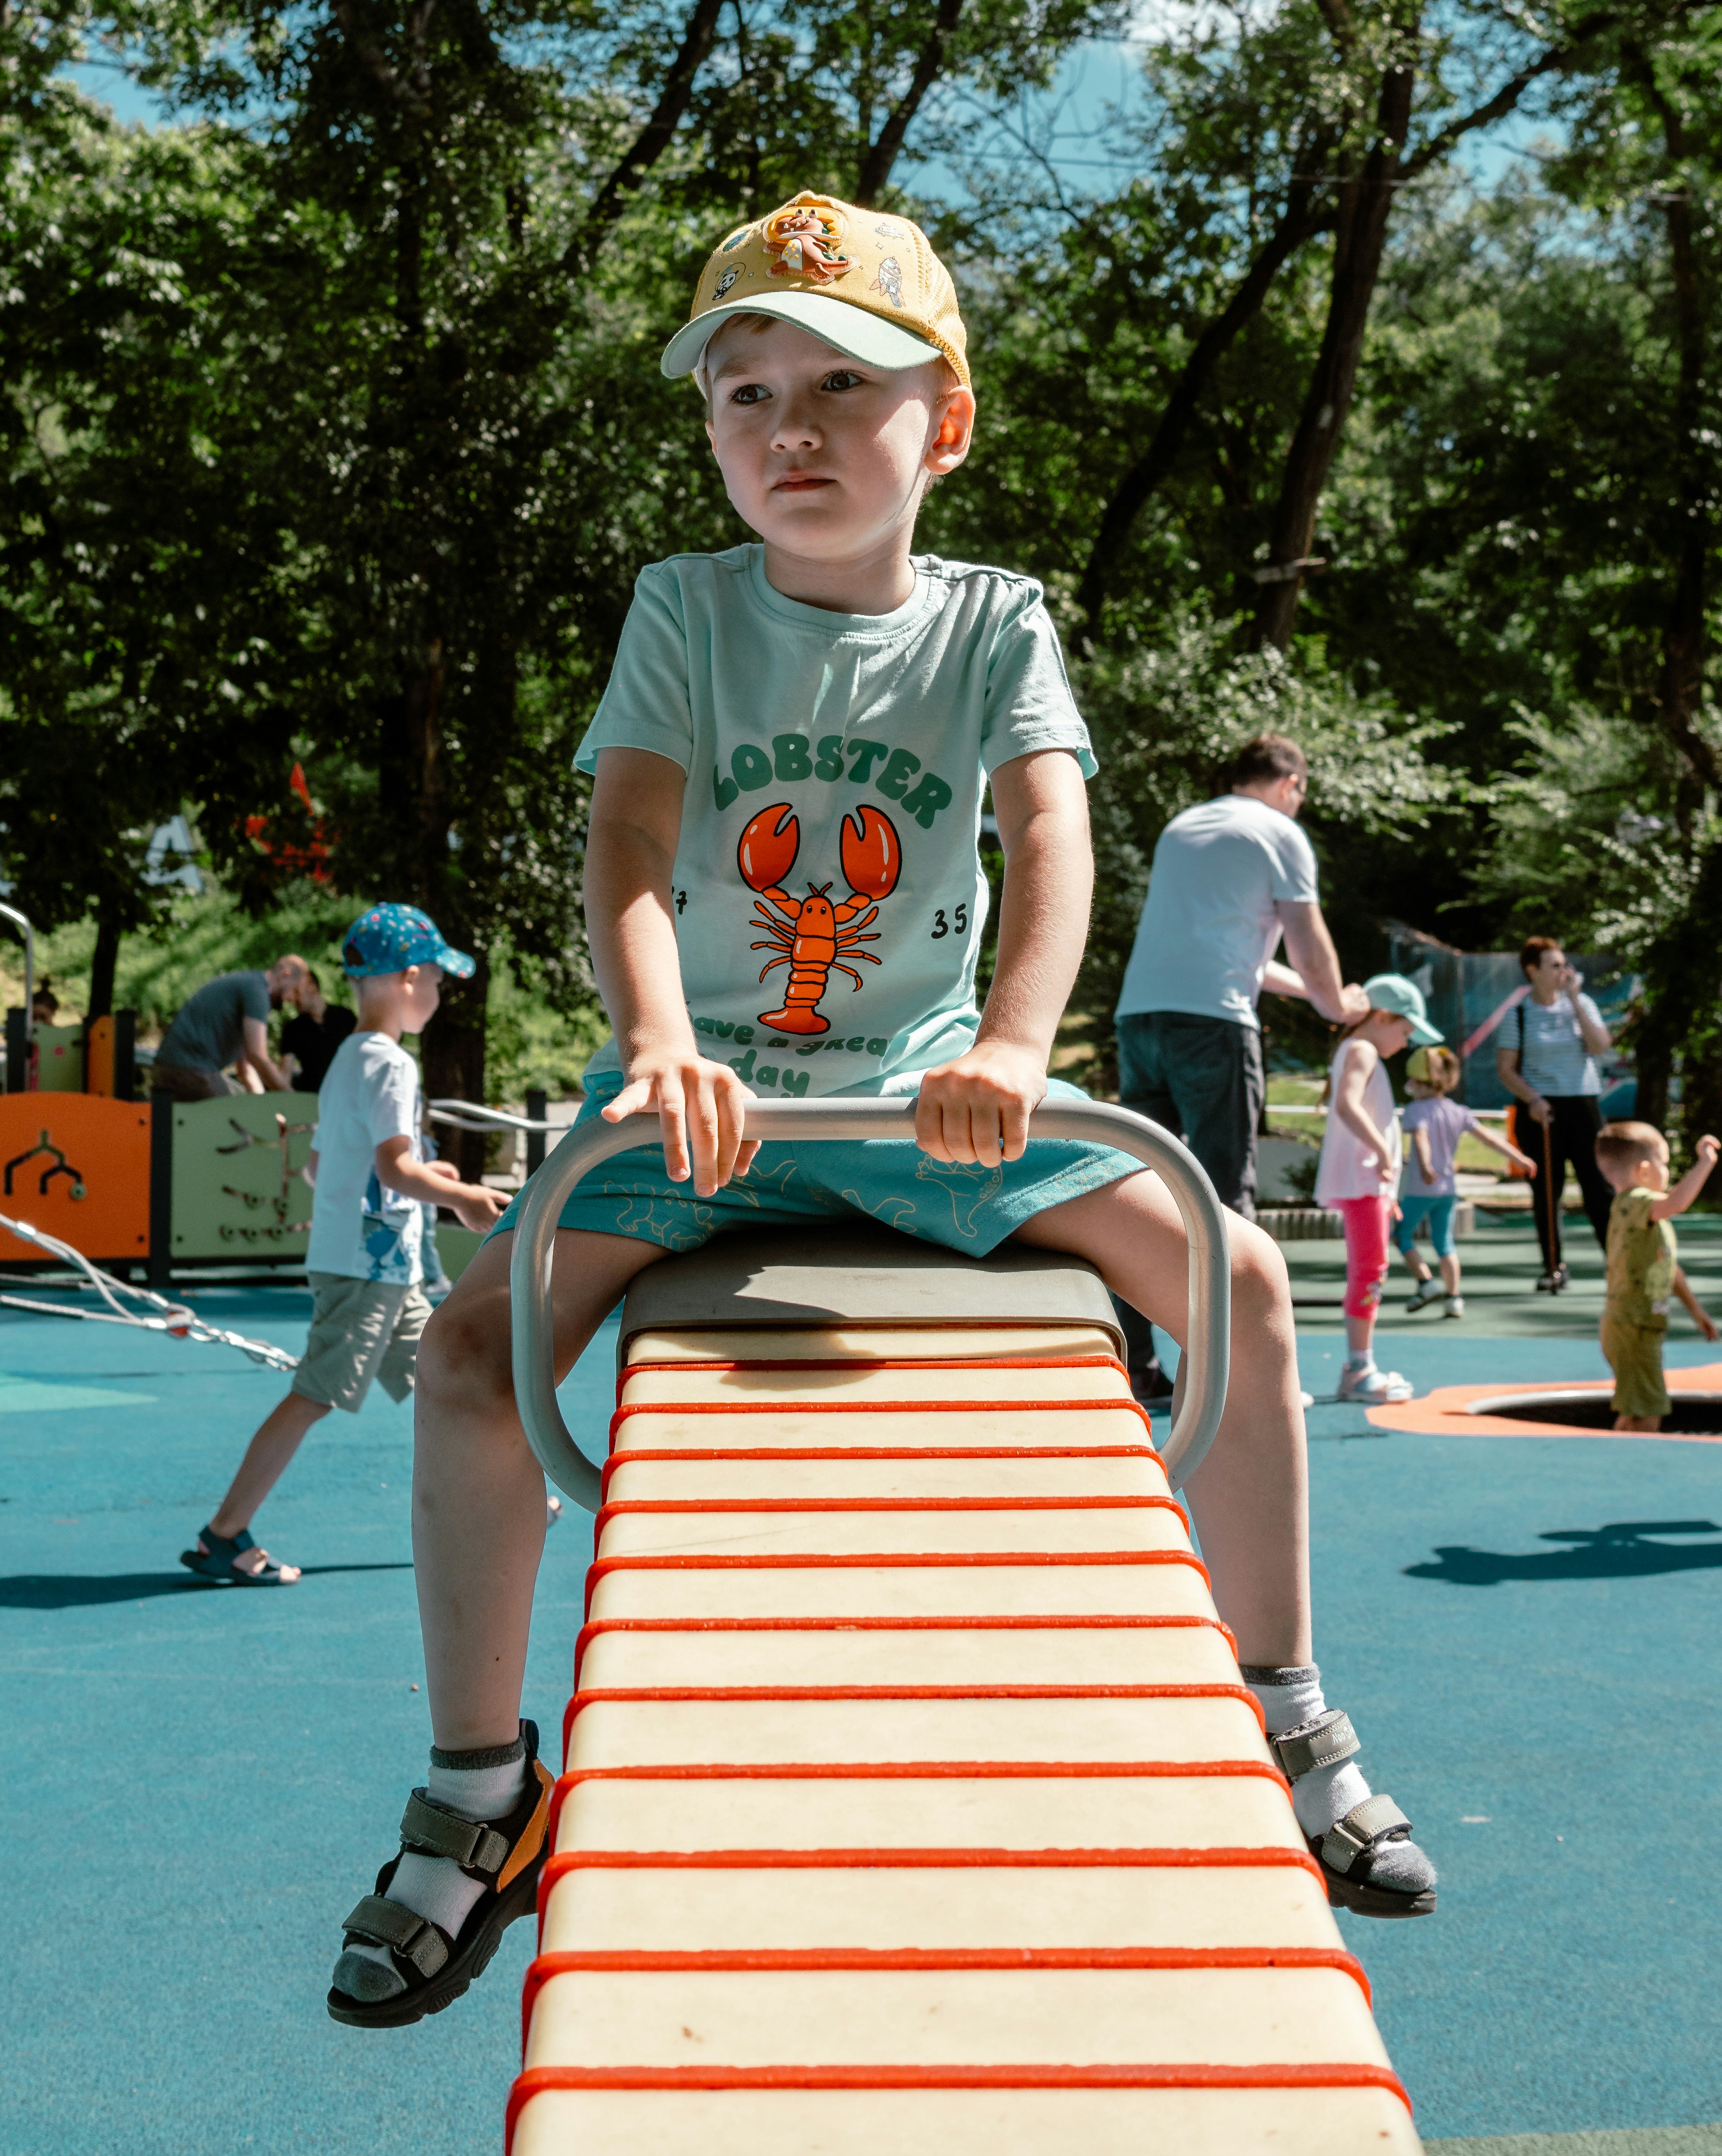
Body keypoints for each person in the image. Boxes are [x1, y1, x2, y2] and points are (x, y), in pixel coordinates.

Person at [324, 190, 1435, 2033]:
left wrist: (1012, 1044)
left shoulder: (997, 622)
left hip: (938, 1107)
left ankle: (1284, 1699)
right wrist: (663, 1036)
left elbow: (1049, 835)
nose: (796, 431)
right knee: (467, 1351)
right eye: (747, 393)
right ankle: (478, 1782)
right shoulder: (684, 608)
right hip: (705, 1113)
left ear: (951, 423)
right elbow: (624, 840)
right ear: (708, 435)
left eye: (849, 385)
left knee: (1234, 1276)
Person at [179, 907, 503, 1587]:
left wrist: (424, 1175)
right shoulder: (390, 1064)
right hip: (367, 1270)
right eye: (438, 982)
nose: (440, 996)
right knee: (315, 1394)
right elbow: (389, 1168)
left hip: (376, 1269)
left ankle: (507, 1498)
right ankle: (224, 1533)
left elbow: (329, 1168)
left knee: (442, 1377)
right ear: (409, 978)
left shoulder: (346, 1060)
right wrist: (463, 1195)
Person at [1114, 735, 1369, 1222]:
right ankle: (1236, 1301)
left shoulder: (1182, 826)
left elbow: (1234, 955)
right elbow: (1310, 948)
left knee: (1143, 1187)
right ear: (1291, 784)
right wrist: (1338, 1006)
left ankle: (1136, 1302)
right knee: (1224, 1191)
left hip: (1141, 1019)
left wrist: (1312, 994)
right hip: (1214, 1025)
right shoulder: (1279, 831)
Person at [1314, 976, 1441, 1402]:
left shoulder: (1360, 1050)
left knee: (1371, 1268)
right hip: (1364, 1179)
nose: (1407, 1043)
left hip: (1369, 1184)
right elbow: (1347, 1104)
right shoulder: (1363, 1049)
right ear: (1382, 1017)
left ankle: (1360, 1364)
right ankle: (1358, 1366)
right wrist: (1382, 1154)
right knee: (1370, 1270)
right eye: (1405, 1032)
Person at [1495, 936, 1614, 1292]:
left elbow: (1600, 1046)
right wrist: (1532, 1099)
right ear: (1533, 971)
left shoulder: (1583, 1004)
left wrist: (1576, 999)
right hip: (1540, 1111)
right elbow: (1506, 1069)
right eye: (1555, 965)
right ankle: (1553, 1266)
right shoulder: (1516, 1014)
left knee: (1598, 1188)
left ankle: (1617, 1263)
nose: (1564, 970)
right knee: (1547, 1190)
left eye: (1565, 964)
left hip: (1583, 1105)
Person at [1594, 1121, 1719, 1432]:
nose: (1667, 1172)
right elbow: (1676, 1203)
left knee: (1636, 1407)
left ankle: (1619, 1453)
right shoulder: (1634, 1201)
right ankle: (1633, 1470)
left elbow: (1669, 1270)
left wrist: (1696, 1311)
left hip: (1638, 1324)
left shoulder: (1644, 1215)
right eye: (1664, 1164)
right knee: (1649, 1409)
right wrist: (1706, 1163)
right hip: (1632, 1325)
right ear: (1645, 1170)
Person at [1397, 1044, 1535, 1318]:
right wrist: (1519, 1157)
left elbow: (1422, 1138)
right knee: (1444, 1242)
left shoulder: (1416, 1110)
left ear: (1421, 1083)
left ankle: (1426, 1282)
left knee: (1401, 1235)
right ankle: (1454, 1297)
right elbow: (1488, 1138)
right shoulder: (1457, 1111)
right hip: (1448, 1190)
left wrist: (1425, 1165)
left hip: (1421, 1189)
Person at [151, 956, 311, 1101]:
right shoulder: (258, 992)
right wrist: (292, 1100)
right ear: (285, 974)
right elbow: (258, 1056)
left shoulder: (250, 986)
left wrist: (265, 1107)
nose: (292, 1000)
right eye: (295, 991)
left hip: (169, 1066)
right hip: (192, 1068)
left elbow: (246, 1069)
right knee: (234, 1129)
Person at [280, 966, 357, 1092]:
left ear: (312, 986)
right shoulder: (293, 1029)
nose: (293, 1000)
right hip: (312, 1098)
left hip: (347, 1095)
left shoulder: (346, 1017)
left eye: (296, 992)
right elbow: (285, 1073)